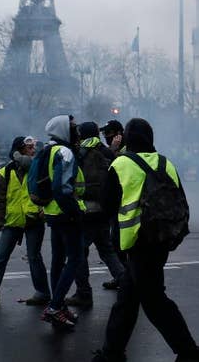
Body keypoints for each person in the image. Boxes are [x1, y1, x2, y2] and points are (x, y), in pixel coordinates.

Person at [91, 118, 199, 362]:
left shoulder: (122, 163)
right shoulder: (166, 162)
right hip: (162, 239)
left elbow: (106, 204)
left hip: (138, 242)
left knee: (154, 302)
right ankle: (111, 352)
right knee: (128, 300)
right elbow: (181, 200)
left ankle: (190, 354)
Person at [0, 136, 51, 307]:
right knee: (0, 258)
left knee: (34, 257)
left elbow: (47, 192)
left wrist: (42, 211)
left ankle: (42, 293)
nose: (33, 150)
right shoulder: (7, 170)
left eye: (34, 147)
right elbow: (1, 198)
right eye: (29, 148)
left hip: (33, 219)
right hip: (12, 221)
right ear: (19, 150)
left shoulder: (38, 167)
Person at [66, 122, 125, 309]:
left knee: (78, 252)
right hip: (105, 211)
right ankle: (127, 284)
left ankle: (83, 293)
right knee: (107, 250)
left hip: (87, 211)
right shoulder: (108, 153)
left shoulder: (80, 153)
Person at [38, 115, 86, 328]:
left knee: (58, 260)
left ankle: (57, 305)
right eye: (73, 127)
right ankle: (56, 306)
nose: (76, 131)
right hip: (66, 214)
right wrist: (74, 211)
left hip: (52, 213)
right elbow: (61, 187)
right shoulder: (65, 152)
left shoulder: (48, 150)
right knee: (74, 259)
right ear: (64, 130)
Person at [100, 118, 125, 291]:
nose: (105, 136)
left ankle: (125, 278)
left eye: (107, 133)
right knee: (115, 244)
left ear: (118, 135)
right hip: (114, 204)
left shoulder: (125, 151)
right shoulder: (115, 150)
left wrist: (112, 152)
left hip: (123, 205)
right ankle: (121, 276)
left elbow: (109, 169)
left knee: (119, 243)